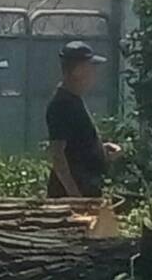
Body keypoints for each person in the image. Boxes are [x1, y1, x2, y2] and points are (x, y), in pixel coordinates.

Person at [46, 40, 120, 198]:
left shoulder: (74, 100)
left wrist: (100, 149)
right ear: (78, 70)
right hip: (72, 195)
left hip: (87, 187)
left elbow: (76, 146)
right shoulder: (61, 104)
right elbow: (58, 154)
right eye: (91, 67)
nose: (94, 73)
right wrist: (75, 196)